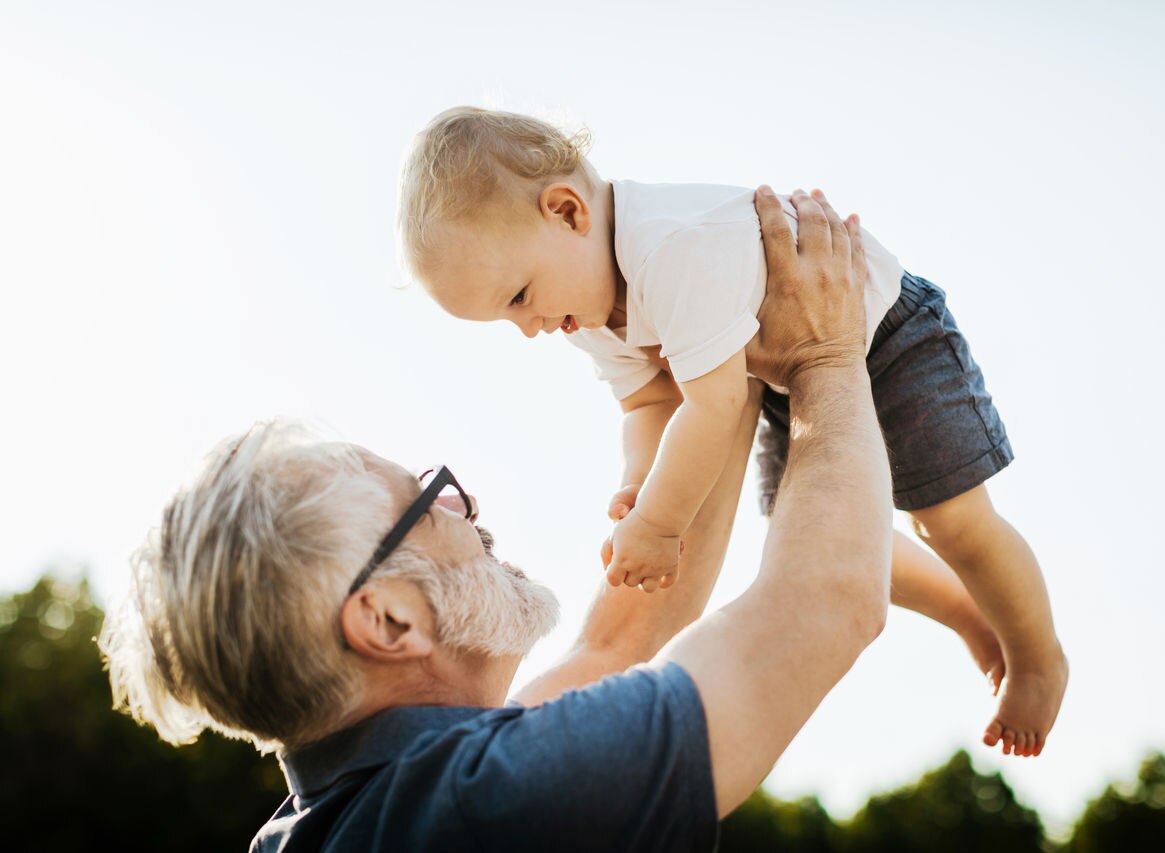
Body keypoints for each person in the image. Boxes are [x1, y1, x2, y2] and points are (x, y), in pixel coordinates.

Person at [100, 190, 893, 851]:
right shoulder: (482, 807)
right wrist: (825, 355)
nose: (470, 514)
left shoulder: (355, 815)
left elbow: (616, 645)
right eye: (428, 497)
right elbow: (826, 603)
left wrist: (720, 372)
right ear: (386, 616)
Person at [395, 106, 1068, 757]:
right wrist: (640, 483)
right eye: (506, 319)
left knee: (948, 519)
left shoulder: (670, 251)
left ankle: (1038, 659)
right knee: (815, 530)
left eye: (518, 297)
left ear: (567, 210)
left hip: (887, 329)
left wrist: (659, 523)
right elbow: (649, 404)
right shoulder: (590, 305)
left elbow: (712, 407)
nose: (530, 327)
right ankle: (968, 611)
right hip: (784, 370)